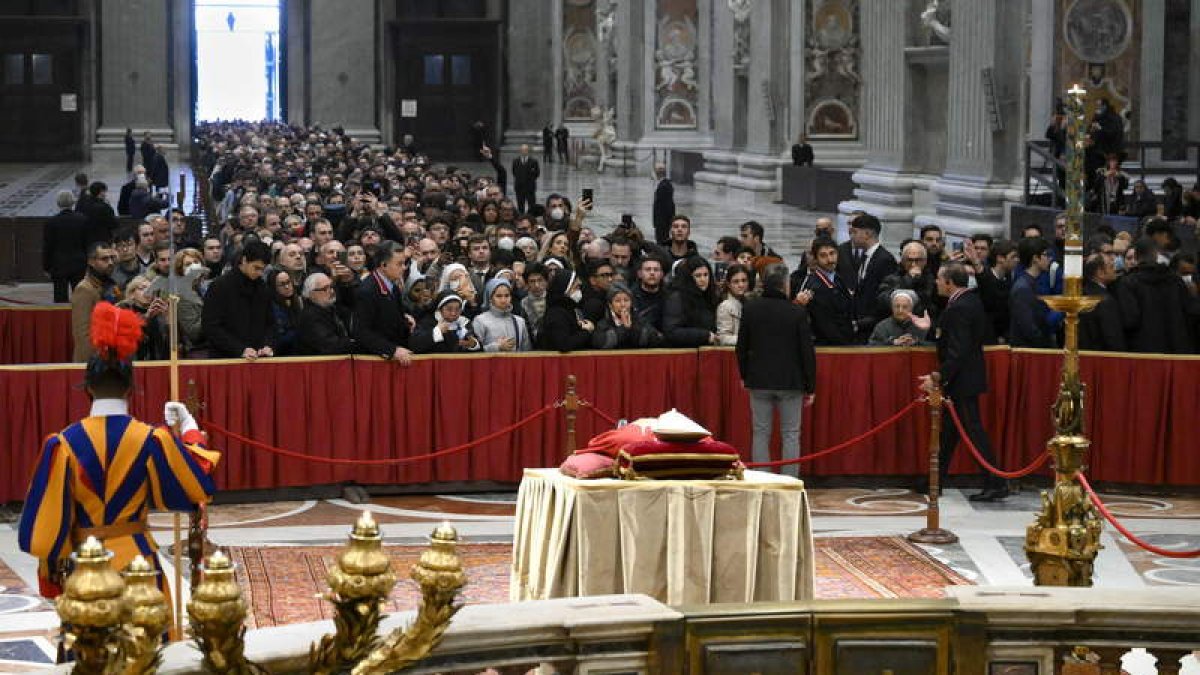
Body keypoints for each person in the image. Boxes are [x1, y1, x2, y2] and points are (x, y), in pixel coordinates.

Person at [19, 302, 219, 609]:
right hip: (139, 565)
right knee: (151, 649)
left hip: (84, 568)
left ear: (87, 390)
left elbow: (46, 532)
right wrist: (190, 429)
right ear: (130, 388)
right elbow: (197, 484)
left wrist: (50, 576)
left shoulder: (61, 445)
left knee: (89, 650)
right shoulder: (152, 439)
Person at [920, 262, 1008, 501]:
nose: (936, 282)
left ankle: (996, 482)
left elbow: (958, 350)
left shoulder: (959, 307)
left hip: (963, 380)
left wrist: (939, 375)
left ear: (949, 282)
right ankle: (934, 480)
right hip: (964, 377)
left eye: (939, 279)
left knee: (972, 430)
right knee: (949, 432)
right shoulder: (968, 301)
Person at [736, 264, 817, 478]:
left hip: (758, 380)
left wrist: (744, 375)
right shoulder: (796, 312)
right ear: (785, 285)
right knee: (790, 434)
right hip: (791, 382)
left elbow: (741, 347)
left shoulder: (751, 308)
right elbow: (806, 352)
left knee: (760, 433)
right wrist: (811, 386)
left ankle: (762, 479)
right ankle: (789, 481)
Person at [200, 240, 277, 359]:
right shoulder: (220, 286)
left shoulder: (262, 288)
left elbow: (270, 323)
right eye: (256, 268)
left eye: (263, 269)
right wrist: (239, 349)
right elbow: (210, 326)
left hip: (257, 357)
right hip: (225, 358)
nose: (260, 273)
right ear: (244, 260)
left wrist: (267, 344)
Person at [355, 242, 416, 364]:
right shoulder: (367, 290)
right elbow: (361, 332)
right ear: (383, 265)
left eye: (404, 263)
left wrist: (405, 320)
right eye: (399, 264)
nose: (404, 268)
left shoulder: (392, 285)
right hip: (375, 361)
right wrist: (392, 350)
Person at [795, 237, 856, 345]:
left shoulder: (837, 278)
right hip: (830, 347)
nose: (830, 259)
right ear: (815, 258)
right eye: (823, 255)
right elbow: (826, 326)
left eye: (832, 253)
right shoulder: (814, 287)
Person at [71, 242, 119, 362]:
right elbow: (83, 335)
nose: (110, 263)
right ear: (91, 262)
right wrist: (95, 363)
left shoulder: (111, 285)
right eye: (104, 259)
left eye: (112, 258)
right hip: (93, 361)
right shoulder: (84, 289)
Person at [1009, 237, 1057, 348]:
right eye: (1046, 255)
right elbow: (1028, 328)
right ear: (1035, 258)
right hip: (1027, 354)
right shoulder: (1023, 288)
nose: (1049, 259)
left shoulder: (1031, 283)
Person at [44, 190, 91, 303]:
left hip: (58, 264)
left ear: (58, 203)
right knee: (80, 297)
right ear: (72, 203)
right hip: (79, 263)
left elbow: (48, 246)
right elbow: (87, 243)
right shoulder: (83, 220)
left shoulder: (52, 222)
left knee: (60, 298)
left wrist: (46, 267)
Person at [663, 256, 719, 347]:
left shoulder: (710, 296)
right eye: (698, 275)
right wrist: (704, 336)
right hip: (684, 353)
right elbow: (671, 332)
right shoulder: (677, 298)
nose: (703, 279)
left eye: (706, 275)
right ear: (689, 277)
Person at [536, 269, 594, 351]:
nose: (579, 291)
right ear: (565, 289)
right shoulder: (556, 314)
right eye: (576, 287)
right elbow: (564, 344)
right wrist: (587, 332)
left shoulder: (570, 308)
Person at [1079, 254, 1126, 352]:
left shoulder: (1081, 294)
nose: (1115, 269)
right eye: (1111, 266)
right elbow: (1112, 337)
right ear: (1100, 273)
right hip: (1103, 359)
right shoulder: (1105, 300)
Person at [410, 291, 482, 354]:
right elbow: (414, 345)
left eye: (457, 309)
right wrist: (437, 331)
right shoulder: (428, 322)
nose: (453, 313)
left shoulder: (464, 323)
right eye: (449, 309)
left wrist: (473, 345)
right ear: (440, 309)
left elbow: (480, 349)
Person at [473, 277, 532, 352]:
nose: (503, 300)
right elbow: (475, 351)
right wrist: (496, 347)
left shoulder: (520, 321)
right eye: (499, 296)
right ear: (490, 298)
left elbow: (527, 352)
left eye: (507, 295)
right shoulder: (480, 321)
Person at [715, 263, 752, 346]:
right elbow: (723, 338)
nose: (741, 285)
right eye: (736, 282)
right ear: (728, 284)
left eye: (744, 280)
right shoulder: (725, 306)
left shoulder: (749, 303)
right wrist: (749, 339)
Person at [512, 144, 540, 213]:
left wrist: (530, 180)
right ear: (520, 151)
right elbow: (514, 172)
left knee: (532, 205)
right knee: (520, 205)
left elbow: (537, 173)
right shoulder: (515, 161)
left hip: (530, 188)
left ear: (528, 151)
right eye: (522, 150)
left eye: (525, 150)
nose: (524, 151)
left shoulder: (534, 161)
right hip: (519, 187)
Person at [652, 163, 675, 245]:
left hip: (662, 222)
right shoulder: (665, 184)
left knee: (661, 241)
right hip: (663, 221)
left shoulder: (664, 186)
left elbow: (666, 206)